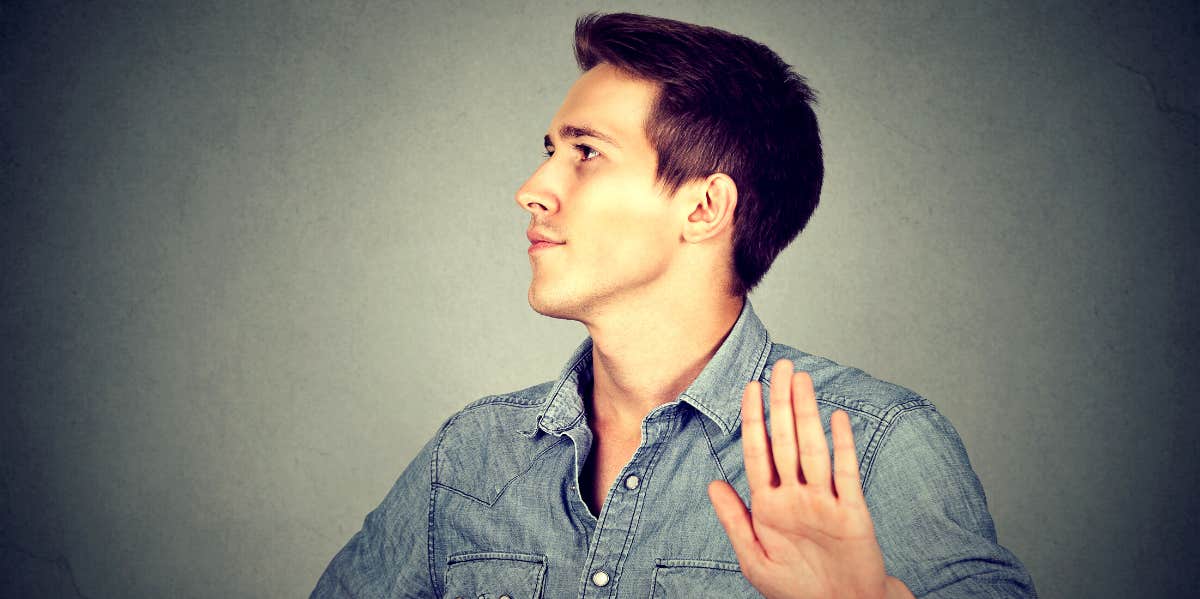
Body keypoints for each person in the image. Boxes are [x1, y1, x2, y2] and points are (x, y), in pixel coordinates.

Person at [312, 12, 1035, 598]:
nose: (532, 187)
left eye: (586, 152)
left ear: (704, 208)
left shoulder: (876, 447)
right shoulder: (471, 456)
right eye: (549, 149)